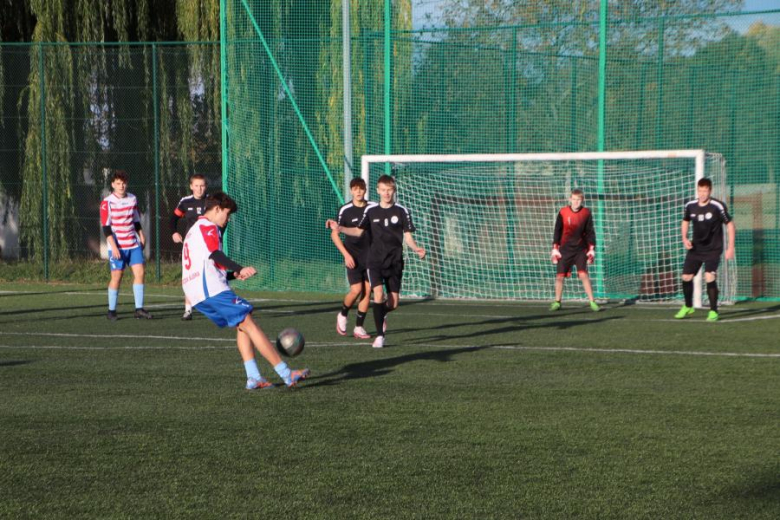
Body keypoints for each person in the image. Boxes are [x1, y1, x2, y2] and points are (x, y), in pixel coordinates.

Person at [182, 191, 309, 389]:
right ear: (217, 209)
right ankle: (286, 373)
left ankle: (254, 377)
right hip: (209, 289)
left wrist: (233, 275)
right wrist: (239, 268)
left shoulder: (193, 230)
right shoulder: (208, 226)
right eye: (227, 214)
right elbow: (214, 254)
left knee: (242, 323)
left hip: (196, 291)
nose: (228, 219)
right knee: (249, 323)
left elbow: (204, 264)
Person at [326, 175, 426, 349]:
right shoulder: (371, 211)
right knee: (377, 294)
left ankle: (381, 313)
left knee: (393, 303)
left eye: (389, 190)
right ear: (378, 191)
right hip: (374, 261)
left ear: (394, 190)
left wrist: (416, 248)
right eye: (383, 190)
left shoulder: (402, 211)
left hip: (395, 262)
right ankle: (380, 336)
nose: (386, 193)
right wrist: (340, 228)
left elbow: (408, 236)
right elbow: (358, 231)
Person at [675, 178, 735, 322]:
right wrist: (684, 238)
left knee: (709, 276)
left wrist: (730, 247)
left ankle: (713, 311)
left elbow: (730, 225)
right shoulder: (690, 205)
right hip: (696, 248)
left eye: (705, 191)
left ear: (710, 191)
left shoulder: (717, 206)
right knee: (686, 277)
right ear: (697, 190)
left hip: (713, 249)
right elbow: (685, 221)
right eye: (700, 190)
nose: (702, 194)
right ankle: (688, 306)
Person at [100, 170, 152, 321]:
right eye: (118, 183)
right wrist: (114, 247)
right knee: (117, 277)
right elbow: (106, 227)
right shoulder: (107, 202)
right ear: (113, 184)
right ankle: (111, 311)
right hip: (118, 246)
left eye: (123, 183)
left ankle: (139, 309)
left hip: (133, 244)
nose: (121, 186)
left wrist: (141, 235)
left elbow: (135, 220)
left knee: (140, 273)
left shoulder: (132, 198)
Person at [331, 178, 377, 339]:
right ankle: (343, 314)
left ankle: (359, 327)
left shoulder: (373, 207)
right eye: (355, 189)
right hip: (353, 256)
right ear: (351, 190)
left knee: (367, 291)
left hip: (370, 256)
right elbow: (335, 234)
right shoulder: (345, 210)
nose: (358, 192)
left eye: (361, 188)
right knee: (356, 290)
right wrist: (346, 255)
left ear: (365, 190)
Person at [549, 189, 599, 312]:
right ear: (570, 199)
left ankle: (592, 301)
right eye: (574, 199)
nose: (576, 202)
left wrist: (591, 249)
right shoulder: (563, 212)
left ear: (582, 200)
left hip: (580, 249)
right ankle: (557, 302)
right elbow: (557, 230)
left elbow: (590, 232)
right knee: (559, 277)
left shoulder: (586, 213)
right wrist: (555, 248)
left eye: (579, 199)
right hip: (565, 249)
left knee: (583, 275)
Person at [171, 173, 208, 320]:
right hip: (191, 246)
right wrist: (174, 232)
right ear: (191, 186)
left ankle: (214, 307)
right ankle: (188, 310)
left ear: (206, 186)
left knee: (211, 275)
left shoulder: (212, 201)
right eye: (196, 186)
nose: (199, 189)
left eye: (202, 186)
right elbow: (173, 219)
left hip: (208, 245)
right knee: (189, 277)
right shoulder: (185, 202)